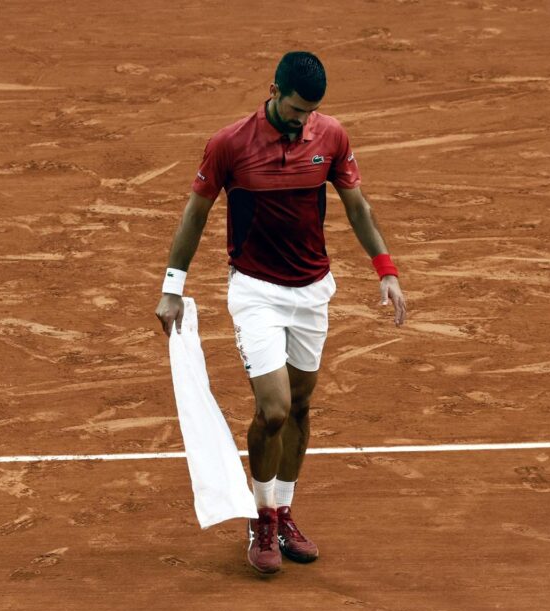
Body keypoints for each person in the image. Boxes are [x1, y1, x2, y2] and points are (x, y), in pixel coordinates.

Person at [155, 51, 407, 575]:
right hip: (256, 292)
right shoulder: (229, 145)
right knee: (273, 409)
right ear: (272, 90)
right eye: (295, 109)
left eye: (311, 111)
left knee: (300, 409)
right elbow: (195, 214)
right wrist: (172, 288)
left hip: (313, 291)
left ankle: (284, 509)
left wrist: (385, 269)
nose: (303, 121)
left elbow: (356, 205)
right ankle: (261, 515)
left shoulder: (330, 136)